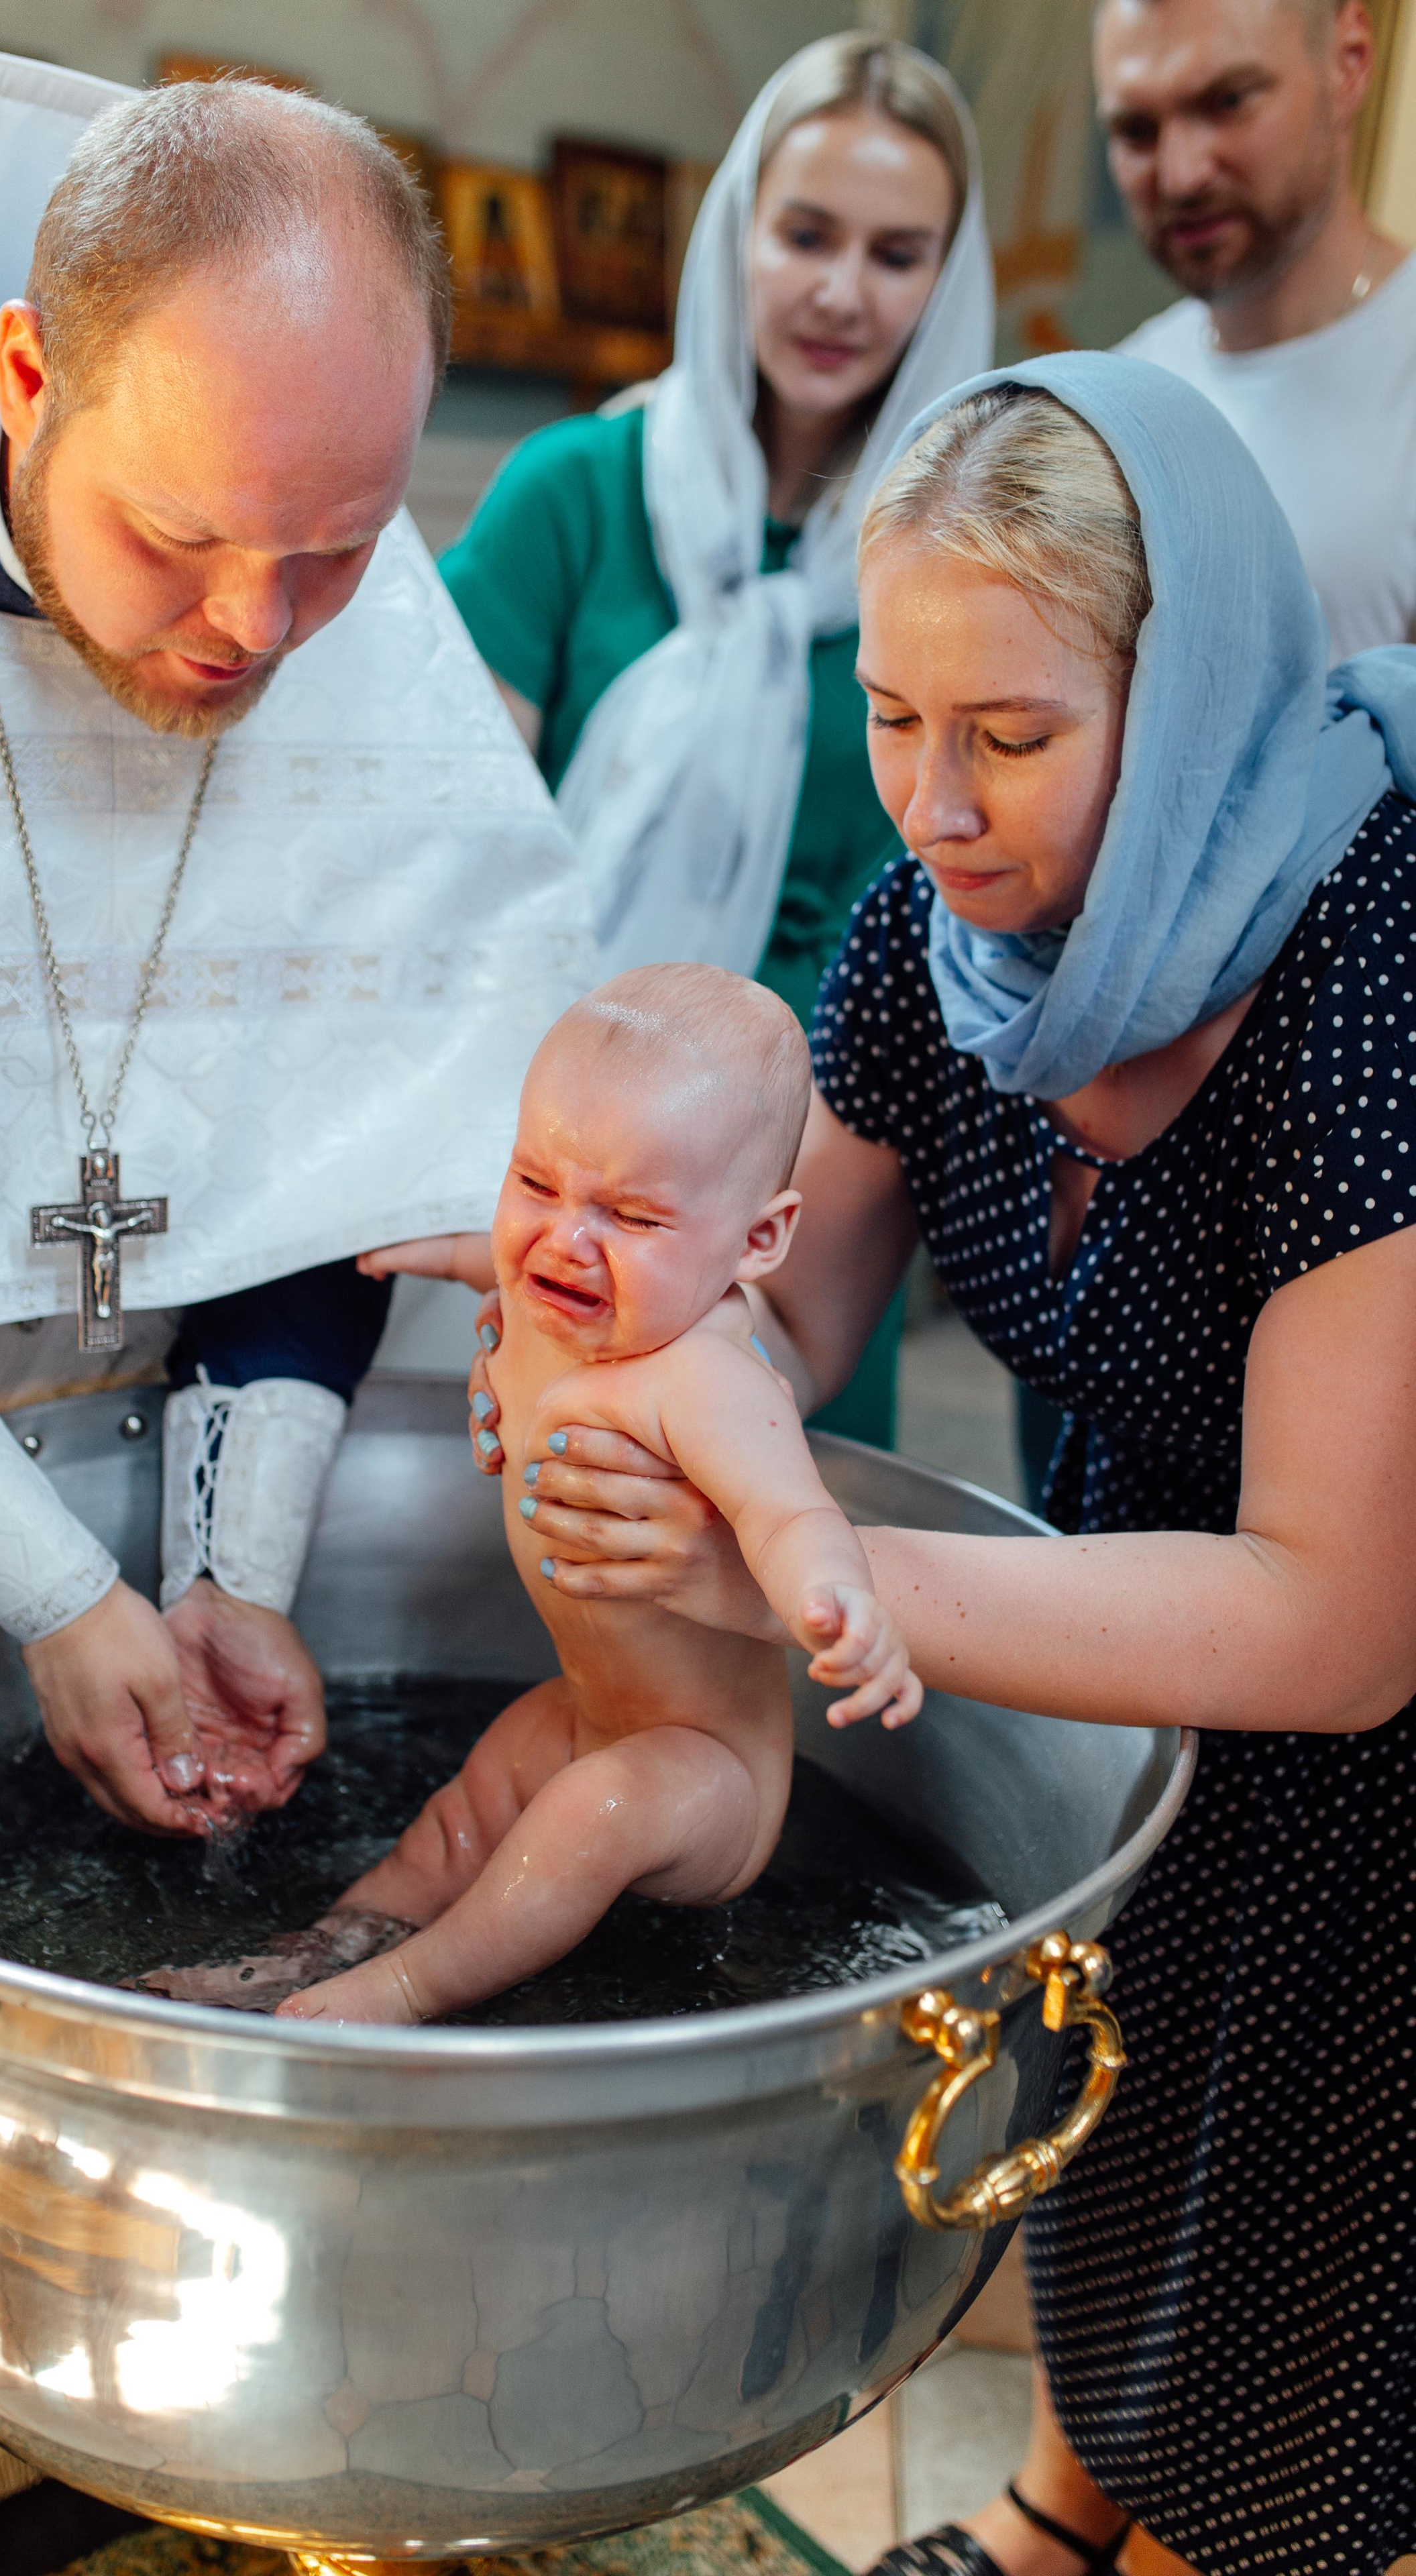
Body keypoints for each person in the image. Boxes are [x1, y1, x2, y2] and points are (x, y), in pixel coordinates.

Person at [464, 355, 1416, 2574]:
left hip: (1373, 1686)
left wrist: (774, 1584)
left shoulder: (1368, 966)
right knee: (1120, 2091)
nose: (932, 802)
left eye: (1011, 735)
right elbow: (786, 1310)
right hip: (1126, 1584)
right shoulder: (937, 942)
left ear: (1180, 706)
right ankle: (1067, 2505)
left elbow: (1341, 1626)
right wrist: (623, 1381)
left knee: (1299, 2259)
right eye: (893, 715)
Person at [0, 44, 588, 1836]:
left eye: (333, 557)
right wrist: (55, 1593)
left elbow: (345, 1113)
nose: (255, 631)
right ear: (32, 378)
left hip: (219, 1409)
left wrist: (225, 1573)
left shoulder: (330, 572)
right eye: (178, 537)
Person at [140, 965, 918, 2026]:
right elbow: (495, 1262)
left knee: (588, 1815)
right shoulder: (562, 1290)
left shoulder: (707, 1379)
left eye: (633, 1215)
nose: (565, 1240)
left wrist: (839, 1603)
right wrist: (433, 1249)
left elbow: (790, 1511)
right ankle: (317, 1950)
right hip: (589, 1712)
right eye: (535, 1184)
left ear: (758, 1242)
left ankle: (402, 1989)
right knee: (462, 1822)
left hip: (707, 1776)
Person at [437, 34, 994, 1451]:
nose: (836, 290)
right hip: (556, 1166)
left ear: (947, 281)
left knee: (768, 1584)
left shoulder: (950, 566)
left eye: (893, 252)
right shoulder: (575, 495)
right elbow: (441, 850)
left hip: (800, 1196)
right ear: (735, 232)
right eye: (803, 232)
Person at [1104, 0, 1416, 659]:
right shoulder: (1121, 397)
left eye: (1228, 102)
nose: (1181, 174)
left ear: (1348, 64)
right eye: (1136, 130)